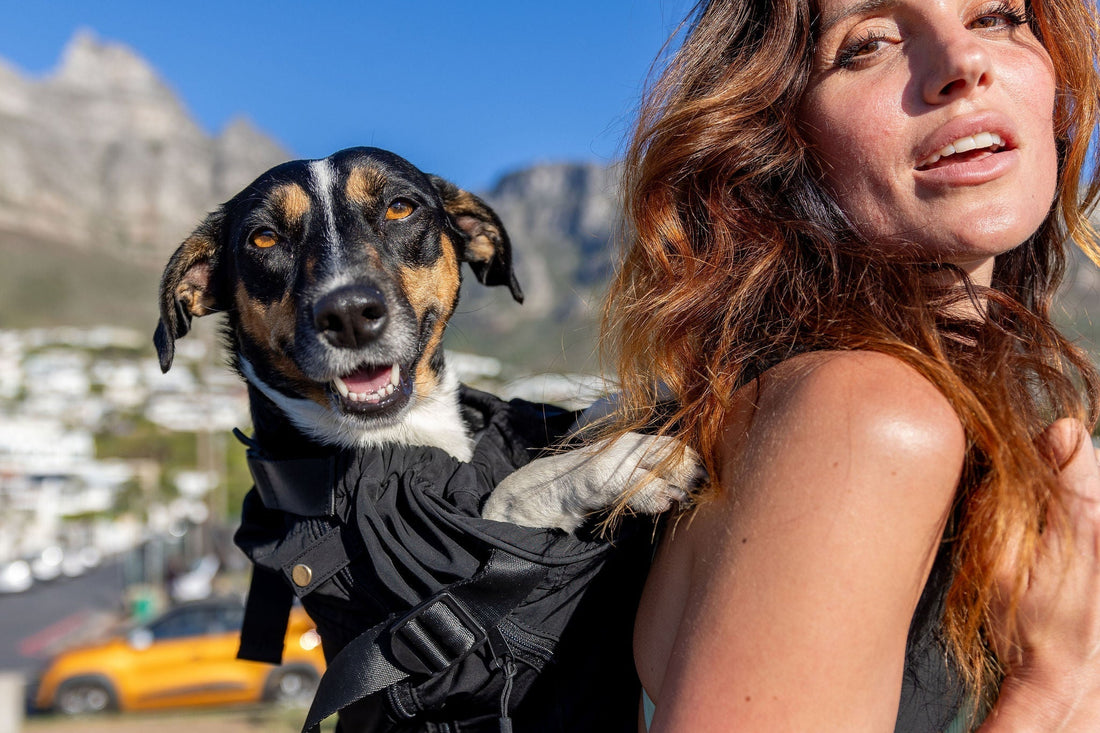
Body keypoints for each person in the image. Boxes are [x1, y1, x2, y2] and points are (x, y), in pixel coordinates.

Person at [598, 0, 1100, 730]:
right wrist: (1061, 688)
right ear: (781, 139)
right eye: (868, 45)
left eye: (995, 16)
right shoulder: (863, 418)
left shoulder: (823, 399)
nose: (962, 65)